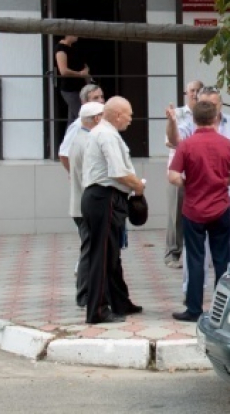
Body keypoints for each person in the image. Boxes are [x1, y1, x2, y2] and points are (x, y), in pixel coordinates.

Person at [168, 100, 230, 322]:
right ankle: (223, 309)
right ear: (215, 118)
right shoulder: (227, 144)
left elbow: (173, 176)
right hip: (220, 207)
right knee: (222, 259)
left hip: (193, 209)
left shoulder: (186, 145)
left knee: (195, 259)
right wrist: (221, 181)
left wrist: (188, 183)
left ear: (194, 119)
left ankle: (194, 309)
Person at [167, 86, 230, 269]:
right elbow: (175, 141)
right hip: (198, 197)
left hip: (229, 196)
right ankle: (192, 291)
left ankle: (228, 289)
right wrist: (172, 122)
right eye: (205, 104)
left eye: (214, 104)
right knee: (198, 252)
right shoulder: (190, 124)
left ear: (221, 104)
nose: (211, 110)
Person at [81, 96, 145, 324]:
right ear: (118, 115)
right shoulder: (106, 134)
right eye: (129, 114)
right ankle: (97, 310)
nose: (131, 119)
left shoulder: (103, 132)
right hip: (104, 197)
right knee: (102, 254)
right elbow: (118, 172)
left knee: (112, 254)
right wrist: (138, 185)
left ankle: (119, 301)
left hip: (102, 197)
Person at [66, 101, 104, 307]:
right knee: (88, 252)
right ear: (97, 119)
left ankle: (87, 294)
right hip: (85, 206)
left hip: (80, 205)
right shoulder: (88, 141)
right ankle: (84, 295)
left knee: (88, 249)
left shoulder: (80, 138)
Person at [164, 80, 204, 268]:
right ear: (186, 93)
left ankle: (194, 252)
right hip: (179, 172)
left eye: (198, 90)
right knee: (176, 213)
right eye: (192, 90)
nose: (195, 94)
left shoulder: (206, 114)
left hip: (199, 172)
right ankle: (172, 254)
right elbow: (172, 142)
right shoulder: (178, 114)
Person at [58, 84, 105, 172]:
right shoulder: (78, 125)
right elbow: (64, 154)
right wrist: (75, 175)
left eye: (102, 97)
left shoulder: (103, 123)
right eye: (95, 98)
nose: (101, 101)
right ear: (84, 102)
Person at [54, 35, 90, 128]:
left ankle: (68, 141)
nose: (76, 35)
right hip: (70, 89)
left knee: (73, 120)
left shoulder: (73, 48)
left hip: (79, 87)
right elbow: (63, 71)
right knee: (82, 116)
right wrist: (80, 74)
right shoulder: (61, 49)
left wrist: (86, 70)